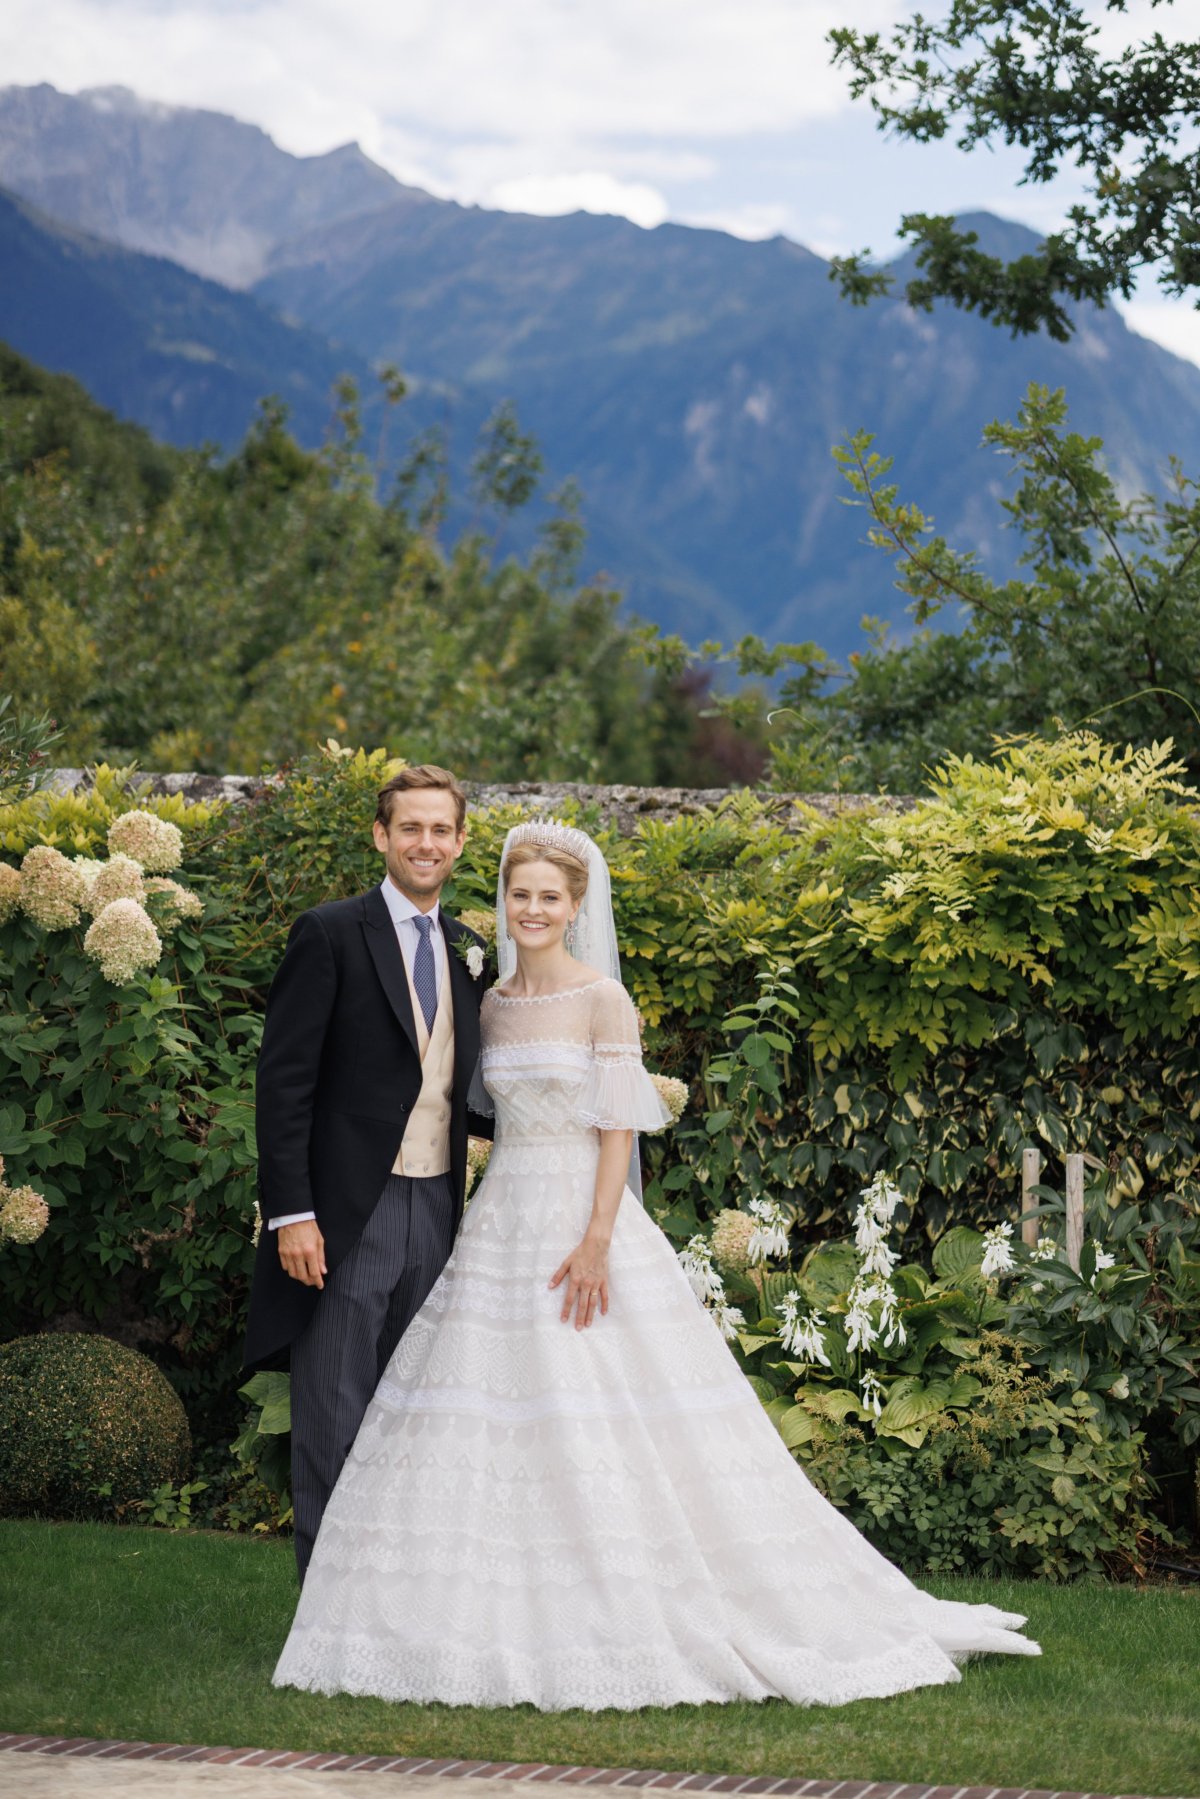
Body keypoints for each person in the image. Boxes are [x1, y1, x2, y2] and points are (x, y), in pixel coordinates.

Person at [272, 819, 1039, 1708]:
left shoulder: (604, 1000)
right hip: (496, 1224)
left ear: (576, 905)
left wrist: (598, 1237)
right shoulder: (488, 1001)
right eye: (519, 893)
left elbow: (616, 1130)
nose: (531, 909)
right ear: (504, 898)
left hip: (582, 1226)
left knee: (605, 1406)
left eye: (549, 897)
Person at [243, 764, 492, 1581]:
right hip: (350, 1211)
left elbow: (465, 1087)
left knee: (412, 1409)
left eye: (441, 830)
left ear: (459, 842)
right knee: (336, 1409)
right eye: (410, 828)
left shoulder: (468, 949)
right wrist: (293, 1214)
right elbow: (284, 1085)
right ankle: (324, 1606)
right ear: (382, 836)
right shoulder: (329, 933)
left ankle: (395, 1599)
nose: (427, 843)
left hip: (438, 1208)